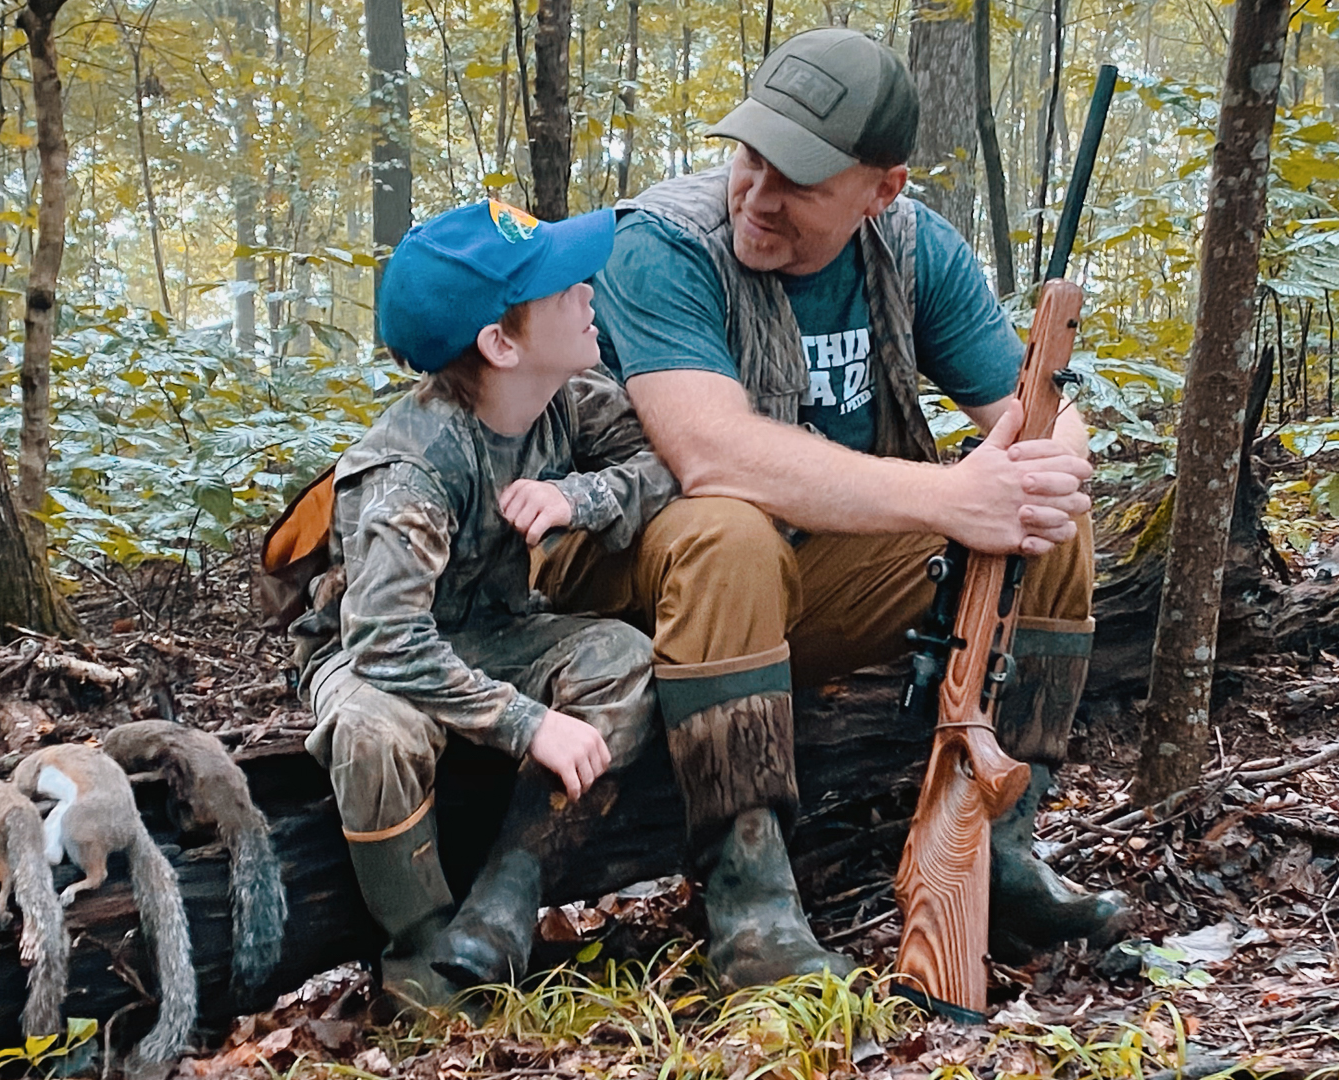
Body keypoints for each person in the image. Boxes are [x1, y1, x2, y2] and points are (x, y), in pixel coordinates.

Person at [535, 27, 1129, 988]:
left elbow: (1044, 416)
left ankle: (1001, 853)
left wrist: (1049, 467)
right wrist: (952, 494)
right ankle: (751, 905)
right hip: (626, 582)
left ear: (880, 189)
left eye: (799, 182)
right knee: (728, 527)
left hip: (800, 577)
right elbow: (709, 451)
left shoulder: (913, 249)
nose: (758, 199)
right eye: (751, 160)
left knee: (1048, 522)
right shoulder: (662, 244)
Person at [300, 199, 679, 1008]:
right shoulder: (411, 470)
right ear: (500, 344)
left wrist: (582, 497)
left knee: (623, 657)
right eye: (557, 286)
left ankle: (506, 897)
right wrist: (528, 723)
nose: (586, 290)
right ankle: (424, 951)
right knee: (375, 735)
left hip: (491, 632)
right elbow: (385, 642)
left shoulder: (568, 396)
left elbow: (664, 464)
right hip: (374, 655)